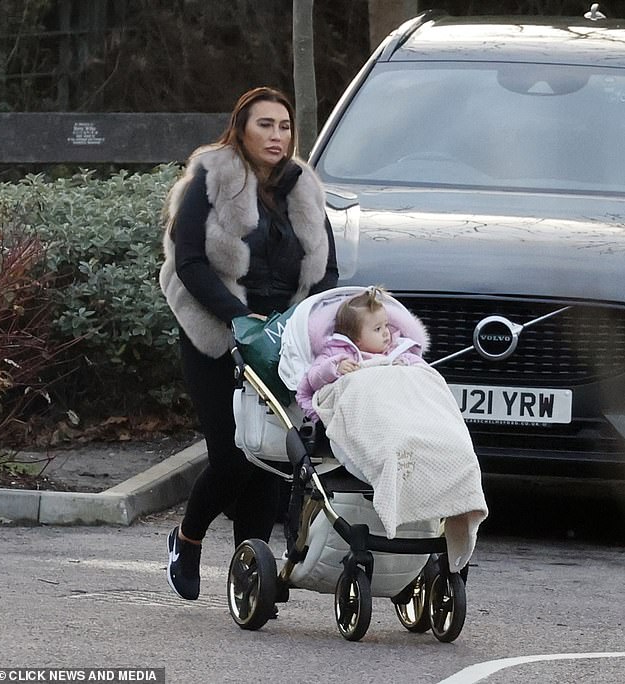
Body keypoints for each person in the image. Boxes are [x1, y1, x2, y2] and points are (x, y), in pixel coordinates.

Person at [159, 87, 338, 601]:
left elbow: (327, 273)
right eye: (265, 124)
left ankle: (252, 573)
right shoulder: (210, 179)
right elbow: (189, 260)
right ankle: (187, 539)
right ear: (241, 128)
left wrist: (304, 325)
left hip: (283, 340)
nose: (277, 135)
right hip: (216, 333)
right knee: (233, 455)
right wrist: (241, 318)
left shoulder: (305, 189)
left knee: (273, 455)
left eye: (284, 126)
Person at [295, 287, 424, 420]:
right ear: (356, 338)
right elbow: (312, 379)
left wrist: (412, 368)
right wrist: (335, 368)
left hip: (396, 409)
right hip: (361, 413)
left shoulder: (396, 350)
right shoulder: (335, 353)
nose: (386, 332)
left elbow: (421, 369)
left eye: (386, 325)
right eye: (378, 329)